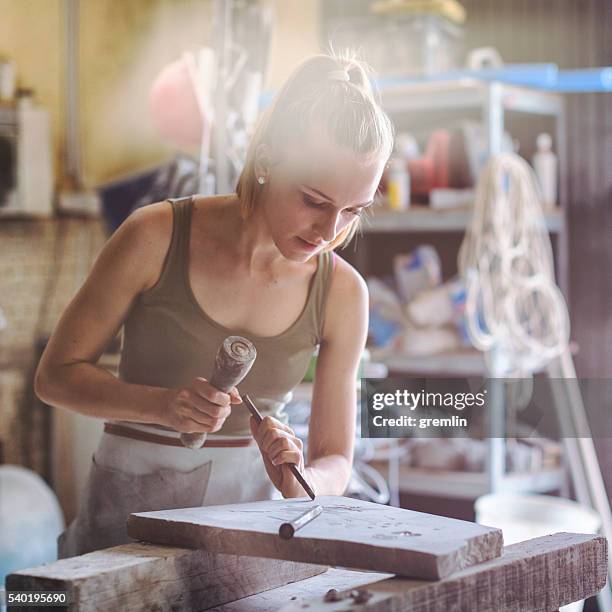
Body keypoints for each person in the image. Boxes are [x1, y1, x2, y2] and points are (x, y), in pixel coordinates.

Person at [35, 52, 394, 558]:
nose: (329, 232)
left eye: (353, 210)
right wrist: (160, 406)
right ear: (267, 159)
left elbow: (335, 458)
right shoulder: (153, 236)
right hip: (122, 524)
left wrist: (301, 480)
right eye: (314, 200)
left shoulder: (342, 293)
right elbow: (54, 377)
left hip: (248, 539)